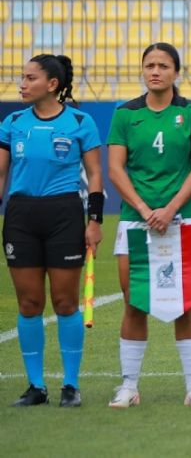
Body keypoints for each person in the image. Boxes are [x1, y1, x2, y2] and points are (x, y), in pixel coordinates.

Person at [2, 54, 103, 408]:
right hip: (21, 216)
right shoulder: (13, 122)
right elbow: (1, 174)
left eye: (30, 78)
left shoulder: (80, 121)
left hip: (64, 215)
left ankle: (70, 385)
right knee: (29, 304)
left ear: (52, 84)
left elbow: (95, 175)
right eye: (22, 77)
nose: (22, 84)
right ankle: (36, 386)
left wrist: (95, 221)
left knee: (65, 302)